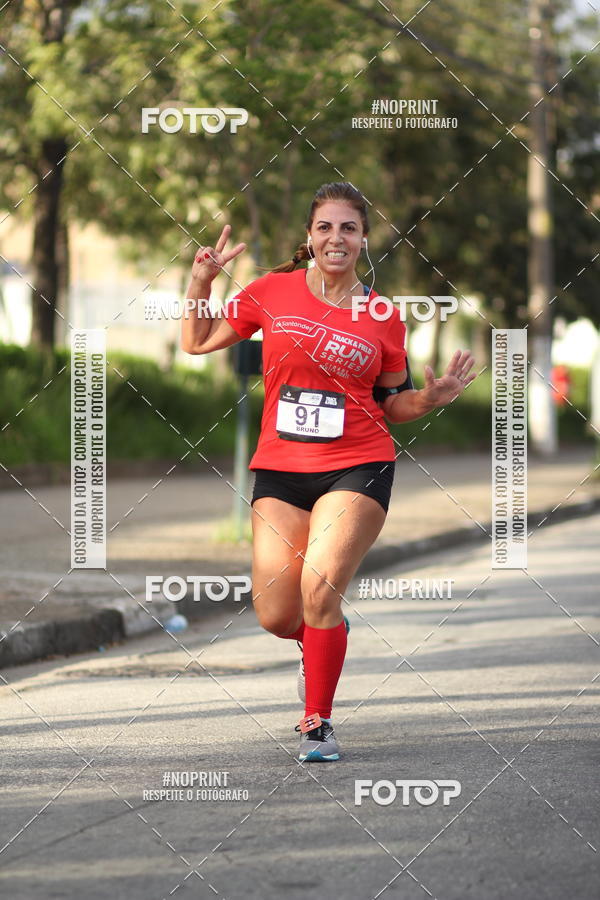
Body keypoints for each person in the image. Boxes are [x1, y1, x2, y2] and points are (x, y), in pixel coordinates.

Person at [181, 181, 476, 762]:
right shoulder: (271, 291)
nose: (336, 237)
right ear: (310, 238)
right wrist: (201, 281)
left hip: (359, 463)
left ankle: (317, 723)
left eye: (348, 228)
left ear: (364, 240)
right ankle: (322, 640)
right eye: (325, 227)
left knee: (319, 589)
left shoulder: (384, 316)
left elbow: (395, 404)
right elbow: (196, 342)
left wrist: (433, 397)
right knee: (276, 613)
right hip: (281, 468)